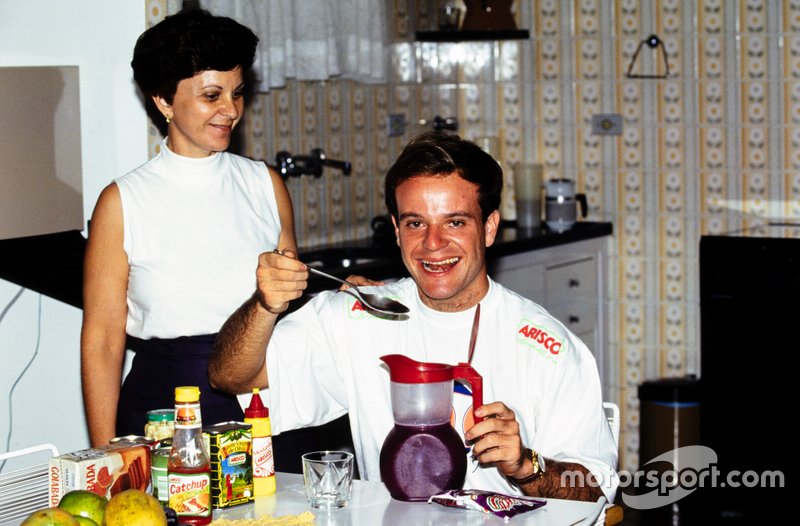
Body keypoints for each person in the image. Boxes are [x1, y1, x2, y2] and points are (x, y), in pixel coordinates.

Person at [209, 131, 619, 501]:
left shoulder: (546, 345)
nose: (433, 243)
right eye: (415, 223)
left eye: (455, 222)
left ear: (490, 227)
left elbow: (595, 487)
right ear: (396, 229)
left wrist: (527, 465)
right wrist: (265, 304)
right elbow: (230, 377)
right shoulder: (359, 315)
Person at [80, 9, 297, 446]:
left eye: (237, 93)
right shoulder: (122, 202)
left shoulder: (265, 184)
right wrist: (107, 454)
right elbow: (103, 341)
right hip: (166, 406)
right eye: (211, 95)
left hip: (260, 396)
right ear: (163, 101)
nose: (230, 111)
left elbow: (286, 309)